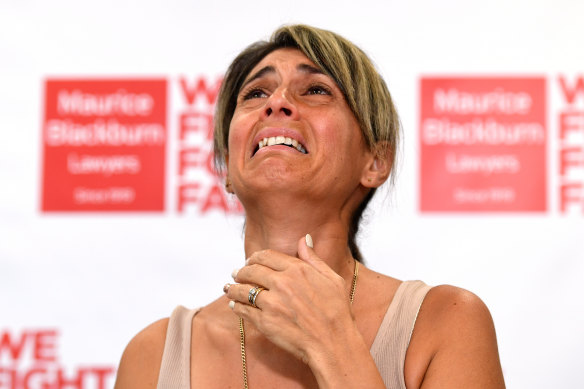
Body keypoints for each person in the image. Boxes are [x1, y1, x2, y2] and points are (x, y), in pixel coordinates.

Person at [114, 24, 505, 389]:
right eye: (255, 94)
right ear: (228, 171)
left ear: (375, 162)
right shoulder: (152, 355)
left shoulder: (446, 322)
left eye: (316, 90)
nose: (277, 103)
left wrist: (331, 343)